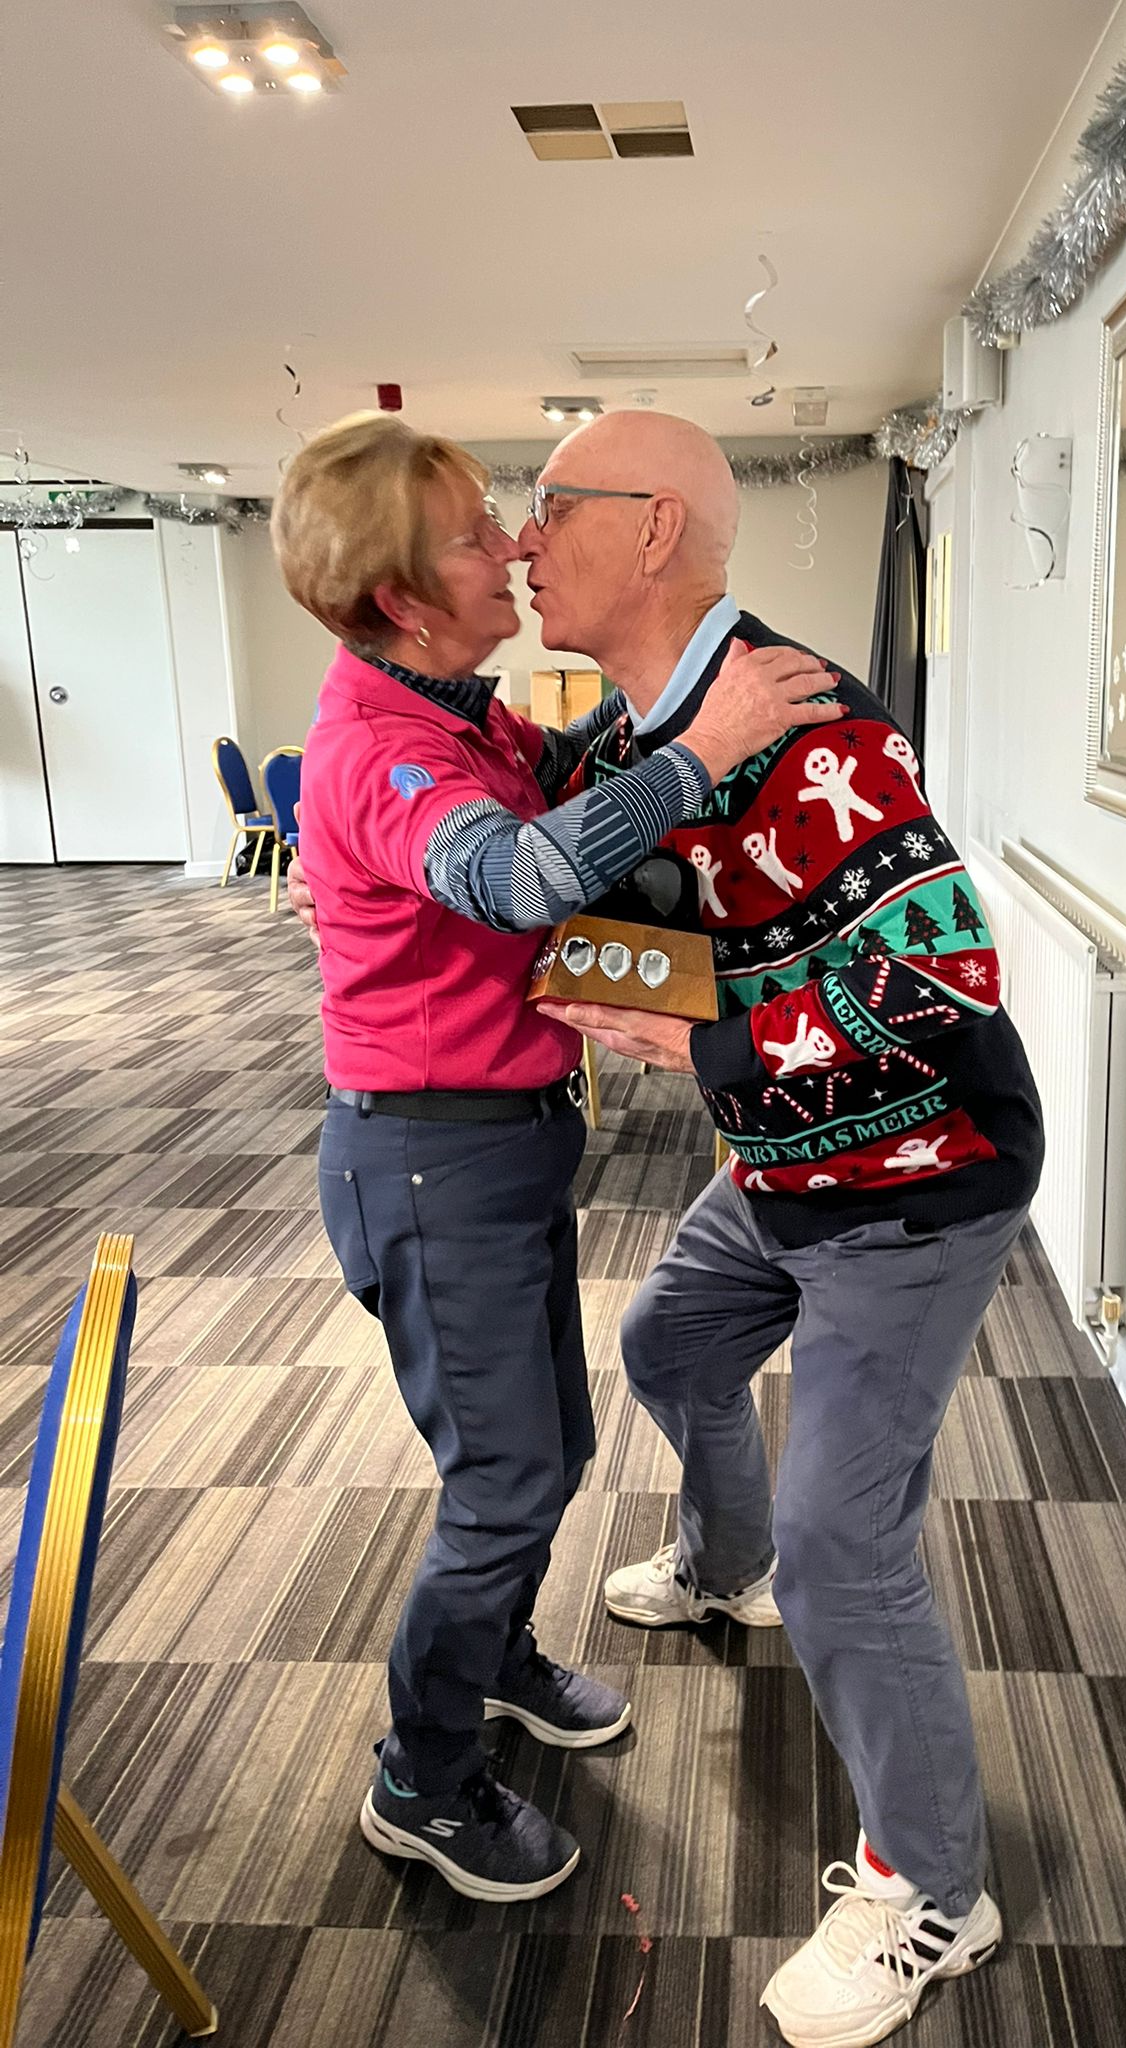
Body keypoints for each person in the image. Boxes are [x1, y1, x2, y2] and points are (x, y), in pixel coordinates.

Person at [521, 411, 1046, 2048]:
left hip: (914, 1184)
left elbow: (946, 974)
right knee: (670, 1343)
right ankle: (723, 1563)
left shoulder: (815, 723)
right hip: (785, 1167)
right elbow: (598, 897)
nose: (524, 540)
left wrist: (713, 1046)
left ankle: (937, 1892)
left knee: (847, 1545)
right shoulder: (630, 741)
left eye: (548, 507)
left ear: (653, 528)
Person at [271, 411, 839, 1907]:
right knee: (504, 1486)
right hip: (425, 1164)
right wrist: (705, 748)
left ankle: (497, 1660)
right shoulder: (376, 746)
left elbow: (572, 771)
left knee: (554, 1454)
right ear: (400, 599)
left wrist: (676, 691)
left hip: (507, 1147)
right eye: (478, 536)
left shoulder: (462, 712)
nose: (516, 544)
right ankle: (422, 1777)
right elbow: (521, 875)